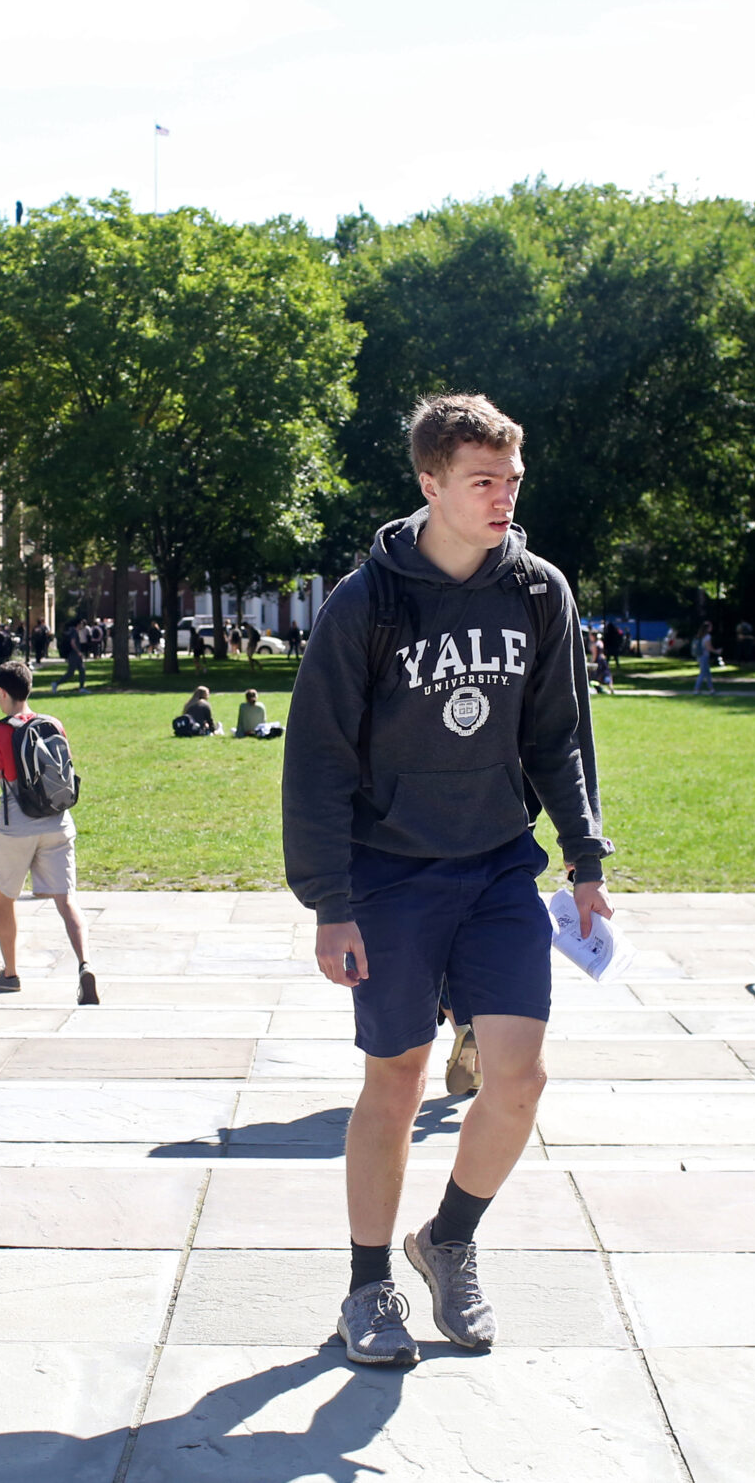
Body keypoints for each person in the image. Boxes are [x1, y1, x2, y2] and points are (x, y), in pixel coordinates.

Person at [282, 390, 613, 1370]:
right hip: (391, 877)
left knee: (518, 1080)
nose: (504, 495)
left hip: (498, 867)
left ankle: (450, 1238)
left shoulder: (537, 591)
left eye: (512, 479)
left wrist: (585, 860)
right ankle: (367, 1282)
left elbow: (559, 736)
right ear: (430, 484)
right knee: (398, 1078)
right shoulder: (367, 602)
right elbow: (318, 761)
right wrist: (329, 903)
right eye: (483, 481)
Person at [0, 660, 94, 1002]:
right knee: (67, 901)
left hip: (15, 827)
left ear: (2, 693)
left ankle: (10, 973)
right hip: (57, 820)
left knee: (6, 899)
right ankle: (84, 964)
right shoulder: (54, 724)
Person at [691, 624, 715, 694]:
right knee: (703, 673)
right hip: (704, 656)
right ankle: (696, 689)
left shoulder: (700, 636)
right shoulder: (707, 636)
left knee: (708, 673)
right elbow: (708, 647)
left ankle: (711, 689)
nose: (711, 628)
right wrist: (716, 651)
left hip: (700, 656)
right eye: (710, 627)